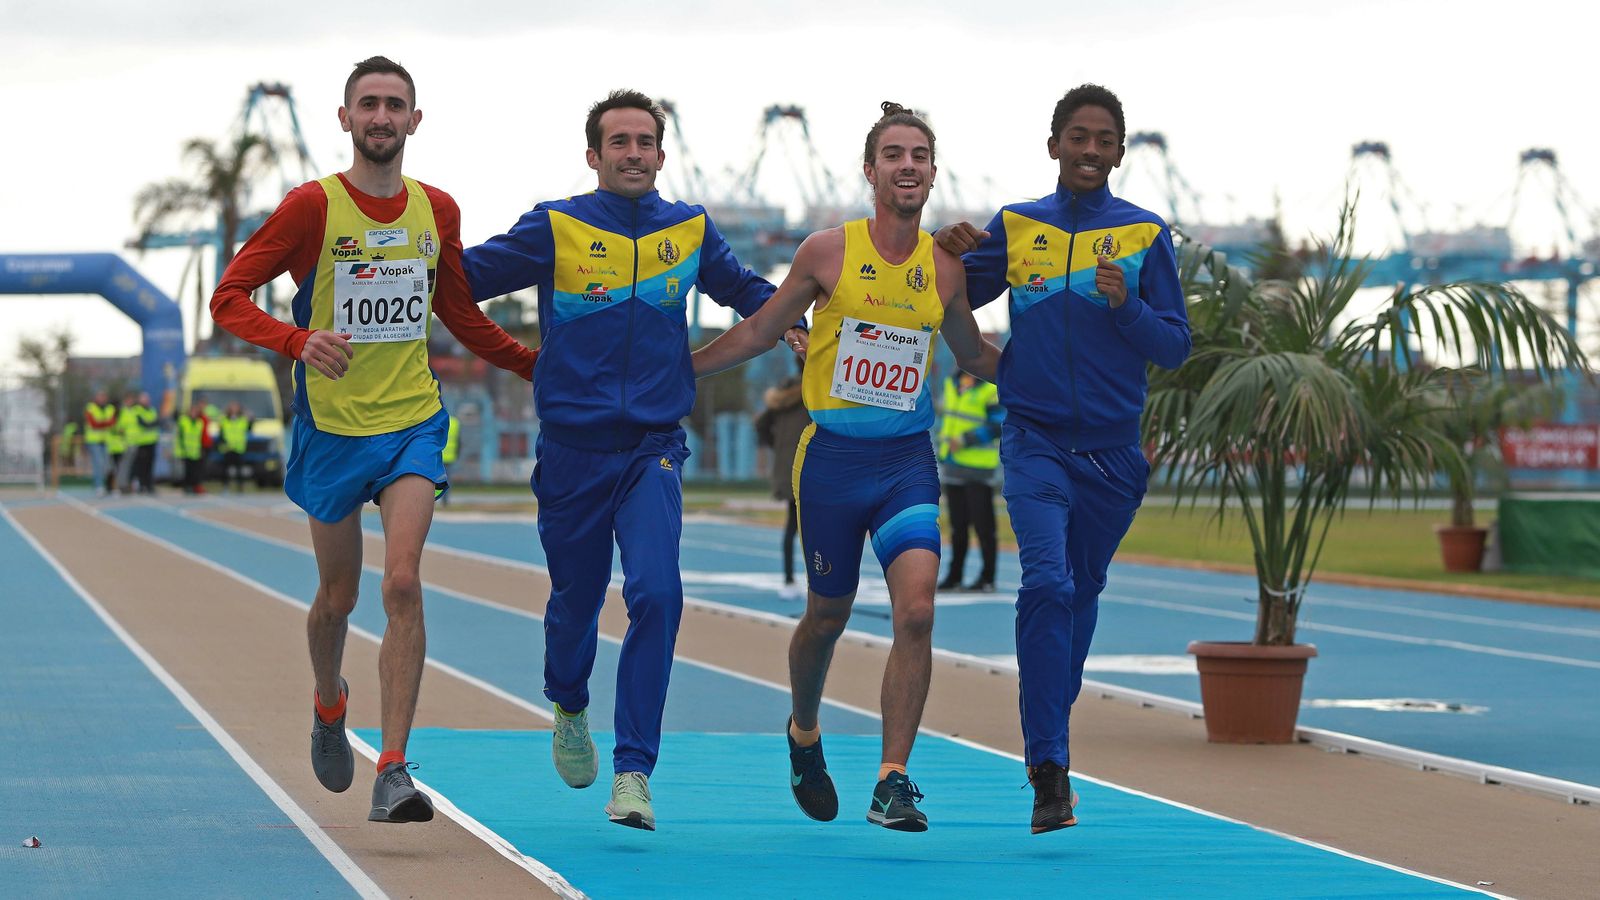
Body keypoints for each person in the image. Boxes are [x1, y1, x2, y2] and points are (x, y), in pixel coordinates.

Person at [463, 88, 805, 832]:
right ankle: (569, 704)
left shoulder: (688, 230)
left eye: (645, 141)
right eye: (619, 142)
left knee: (657, 593)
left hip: (653, 448)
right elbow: (465, 277)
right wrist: (391, 268)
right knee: (574, 608)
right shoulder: (555, 226)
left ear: (660, 151)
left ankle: (634, 773)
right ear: (593, 155)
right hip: (572, 452)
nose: (633, 153)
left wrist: (794, 318)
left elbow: (744, 288)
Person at [209, 56, 538, 824]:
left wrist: (532, 366)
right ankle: (330, 702)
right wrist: (297, 342)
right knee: (338, 596)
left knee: (401, 583)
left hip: (412, 425)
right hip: (331, 431)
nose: (382, 117)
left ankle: (392, 767)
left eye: (395, 105)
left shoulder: (439, 211)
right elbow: (227, 296)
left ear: (415, 120)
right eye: (369, 105)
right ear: (346, 118)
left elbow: (458, 311)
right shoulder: (311, 208)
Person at [692, 102, 1000, 832]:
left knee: (917, 612)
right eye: (893, 154)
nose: (908, 166)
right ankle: (803, 732)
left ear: (932, 171)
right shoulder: (827, 251)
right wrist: (676, 370)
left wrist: (1069, 389)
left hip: (905, 463)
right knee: (826, 616)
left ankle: (893, 779)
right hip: (831, 462)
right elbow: (762, 330)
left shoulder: (946, 269)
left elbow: (976, 356)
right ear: (870, 171)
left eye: (920, 155)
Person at [935, 84, 1191, 834]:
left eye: (1103, 139)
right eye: (1077, 136)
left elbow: (1174, 346)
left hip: (1112, 454)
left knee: (1079, 595)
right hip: (1034, 437)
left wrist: (1127, 306)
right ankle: (1048, 768)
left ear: (1118, 151)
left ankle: (1052, 725)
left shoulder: (1145, 234)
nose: (1089, 149)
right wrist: (948, 258)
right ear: (1054, 145)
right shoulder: (1017, 227)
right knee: (1045, 581)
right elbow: (952, 299)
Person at [936, 369, 1003, 592]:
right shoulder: (950, 383)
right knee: (958, 528)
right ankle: (954, 576)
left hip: (978, 468)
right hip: (953, 466)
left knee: (984, 527)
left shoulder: (990, 389)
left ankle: (988, 578)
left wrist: (966, 439)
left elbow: (998, 425)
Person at [753, 361, 808, 599]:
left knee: (792, 525)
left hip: (788, 466)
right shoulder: (816, 390)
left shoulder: (781, 395)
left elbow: (760, 423)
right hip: (813, 466)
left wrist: (776, 445)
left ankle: (788, 580)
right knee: (820, 528)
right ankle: (822, 583)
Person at [117, 391, 158, 494]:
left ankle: (142, 485)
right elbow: (145, 424)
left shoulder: (151, 410)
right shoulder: (134, 411)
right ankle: (126, 486)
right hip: (134, 442)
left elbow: (156, 422)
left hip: (143, 442)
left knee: (143, 466)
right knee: (130, 466)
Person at [84, 390, 117, 496]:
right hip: (94, 441)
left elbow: (112, 422)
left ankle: (108, 486)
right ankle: (99, 486)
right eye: (100, 396)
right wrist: (105, 423)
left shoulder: (110, 408)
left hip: (106, 440)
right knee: (98, 463)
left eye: (104, 396)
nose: (102, 399)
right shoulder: (90, 408)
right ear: (96, 397)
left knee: (108, 465)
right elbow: (93, 424)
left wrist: (102, 423)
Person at [174, 397, 209, 495]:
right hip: (185, 450)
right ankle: (187, 486)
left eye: (195, 412)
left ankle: (195, 486)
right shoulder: (183, 421)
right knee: (187, 470)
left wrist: (202, 448)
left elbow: (201, 436)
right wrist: (181, 449)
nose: (194, 413)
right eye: (192, 411)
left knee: (196, 470)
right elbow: (180, 436)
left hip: (196, 450)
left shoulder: (199, 422)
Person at [217, 401, 253, 493]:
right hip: (227, 448)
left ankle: (240, 488)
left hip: (239, 448)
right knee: (225, 469)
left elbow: (250, 427)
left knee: (239, 470)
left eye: (236, 407)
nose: (234, 409)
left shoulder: (243, 419)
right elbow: (221, 433)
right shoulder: (224, 420)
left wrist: (250, 417)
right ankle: (225, 487)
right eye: (232, 407)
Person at [439, 413, 459, 505]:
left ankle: (431, 501)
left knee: (432, 478)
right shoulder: (455, 422)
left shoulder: (438, 420)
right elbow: (459, 440)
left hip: (438, 455)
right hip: (450, 456)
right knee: (447, 480)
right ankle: (445, 501)